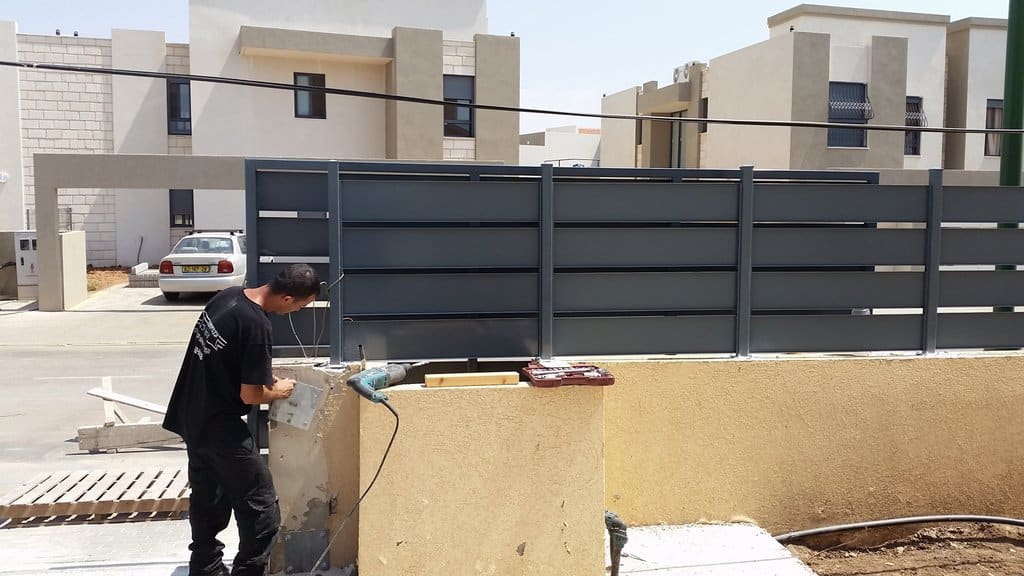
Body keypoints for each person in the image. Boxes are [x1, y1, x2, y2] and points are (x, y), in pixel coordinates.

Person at [163, 264, 320, 576]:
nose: (297, 312)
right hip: (220, 426)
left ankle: (205, 568)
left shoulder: (228, 297)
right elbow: (251, 395)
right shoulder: (257, 325)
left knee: (209, 497)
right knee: (263, 510)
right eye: (301, 306)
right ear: (288, 299)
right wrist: (278, 391)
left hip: (191, 413)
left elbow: (224, 359)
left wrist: (261, 377)